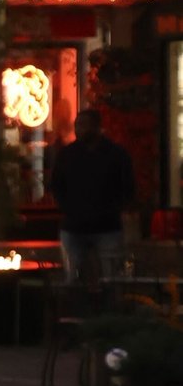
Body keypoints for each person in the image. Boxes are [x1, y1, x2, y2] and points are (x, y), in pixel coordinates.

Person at [48, 107, 132, 286]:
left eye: (84, 125)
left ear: (96, 127)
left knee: (111, 278)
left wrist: (113, 208)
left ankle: (110, 309)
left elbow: (127, 187)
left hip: (107, 226)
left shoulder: (115, 155)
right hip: (74, 225)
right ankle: (76, 309)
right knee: (72, 278)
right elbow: (56, 185)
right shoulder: (67, 155)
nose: (79, 130)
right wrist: (67, 208)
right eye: (77, 125)